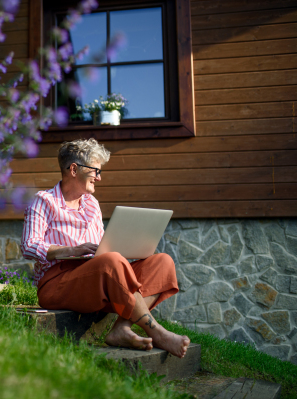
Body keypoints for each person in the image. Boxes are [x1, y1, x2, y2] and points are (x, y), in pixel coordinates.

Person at [21, 138, 190, 358]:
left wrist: (128, 248)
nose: (99, 177)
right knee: (110, 262)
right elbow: (29, 245)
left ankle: (121, 328)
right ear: (74, 169)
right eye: (95, 171)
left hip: (96, 276)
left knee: (162, 262)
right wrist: (72, 249)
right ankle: (157, 332)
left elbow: (104, 249)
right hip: (57, 284)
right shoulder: (43, 201)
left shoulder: (92, 204)